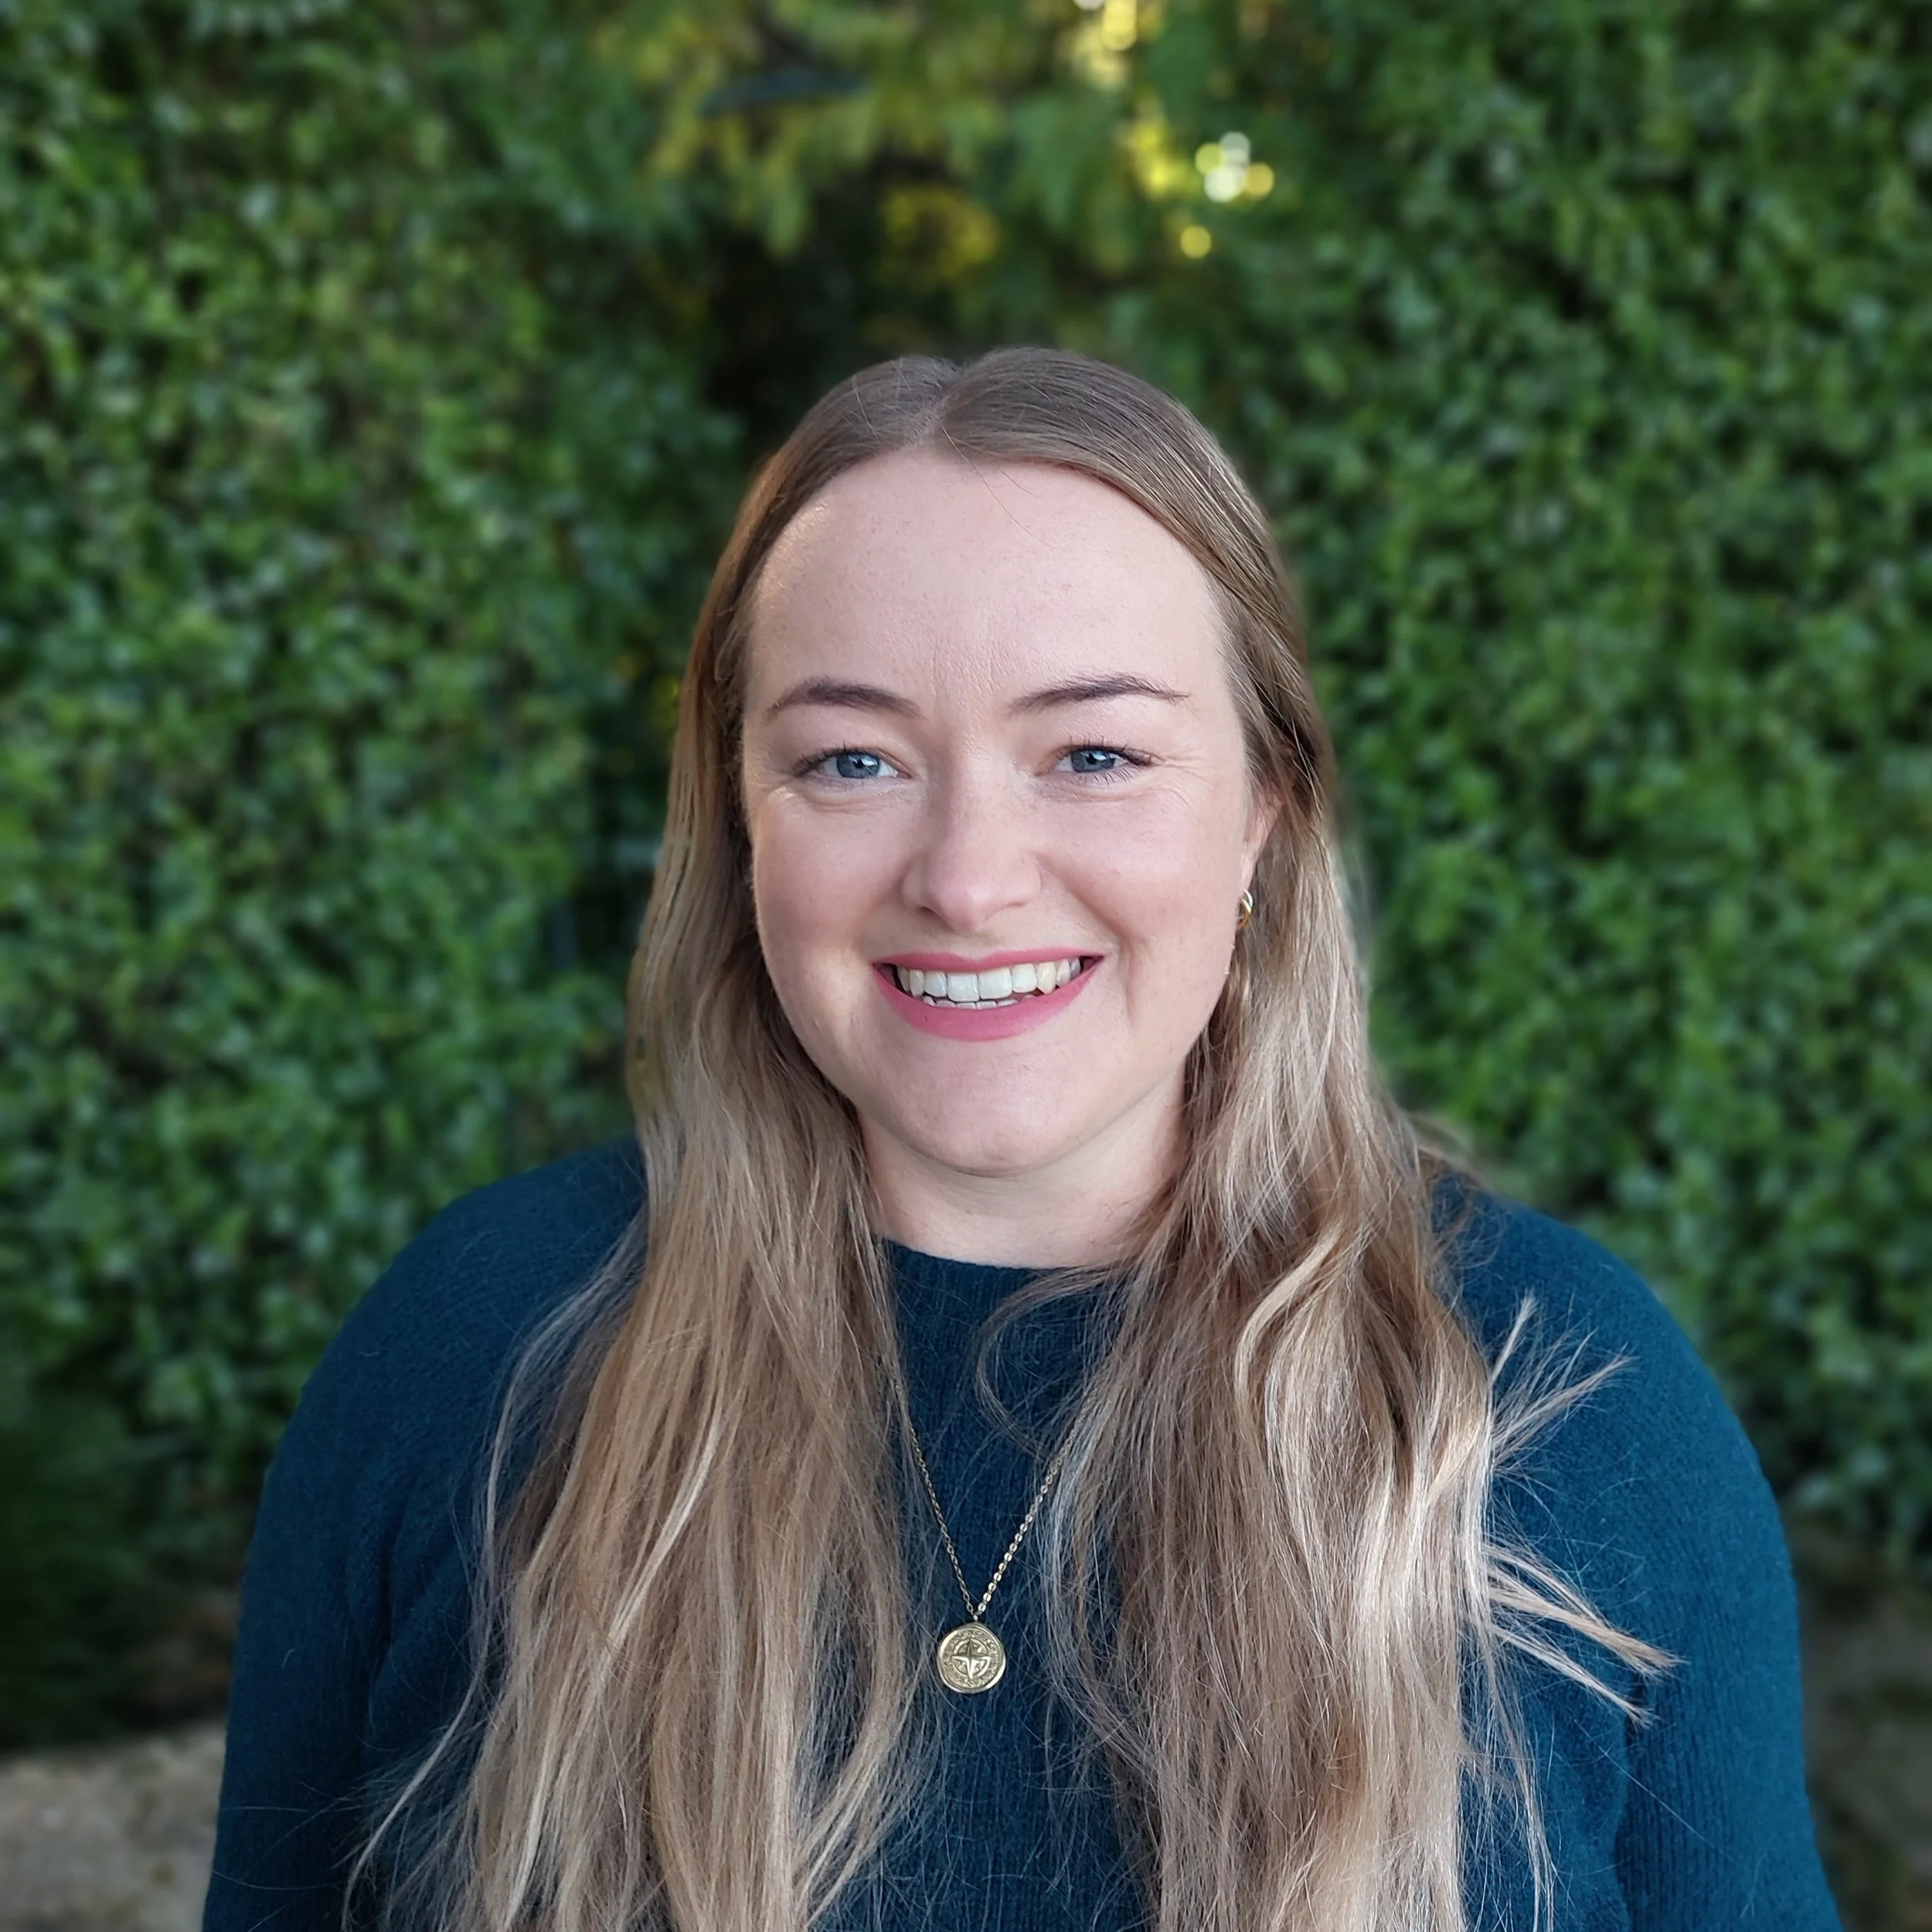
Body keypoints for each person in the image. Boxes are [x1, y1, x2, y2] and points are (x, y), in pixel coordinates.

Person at [205, 348, 1840, 1932]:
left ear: (1263, 810)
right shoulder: (471, 1354)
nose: (969, 874)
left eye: (1093, 754)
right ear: (740, 819)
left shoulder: (1565, 1403)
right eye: (852, 758)